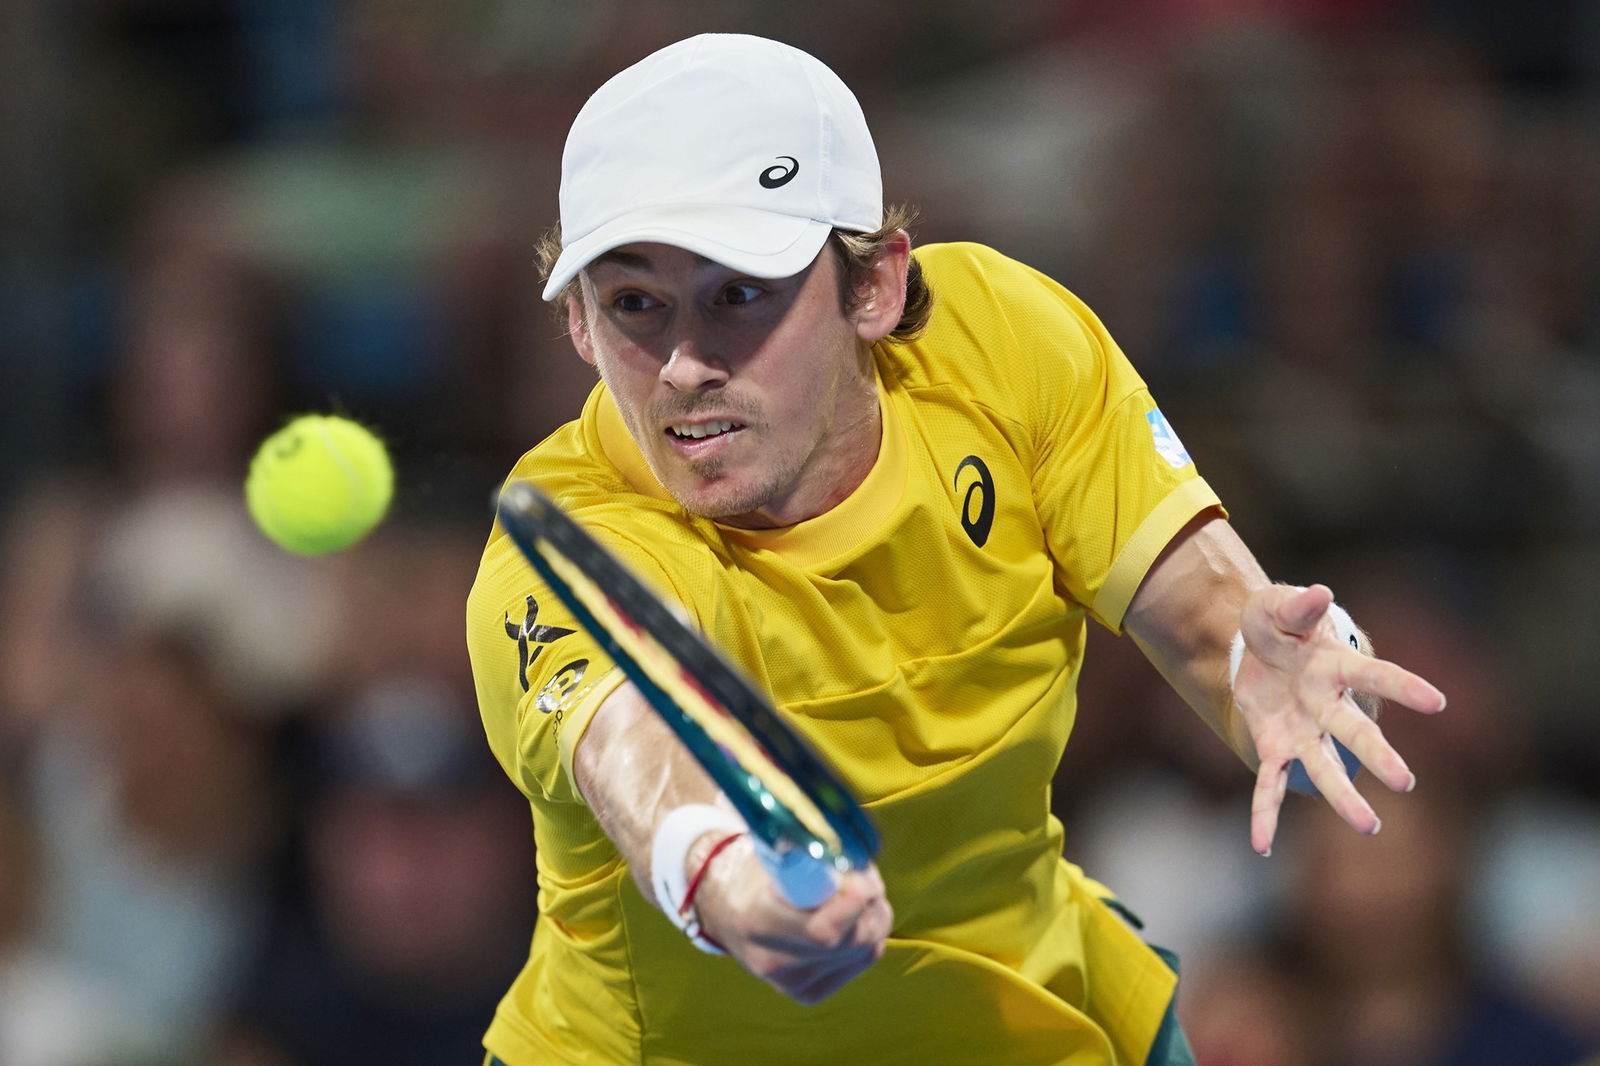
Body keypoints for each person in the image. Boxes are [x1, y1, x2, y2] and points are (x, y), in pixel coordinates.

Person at [465, 32, 1447, 1066]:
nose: (681, 365)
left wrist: (1270, 664)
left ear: (875, 287)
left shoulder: (1001, 344)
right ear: (576, 324)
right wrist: (725, 875)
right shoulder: (564, 535)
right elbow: (632, 751)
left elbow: (1205, 611)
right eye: (632, 305)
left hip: (1024, 1016)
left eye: (739, 292)